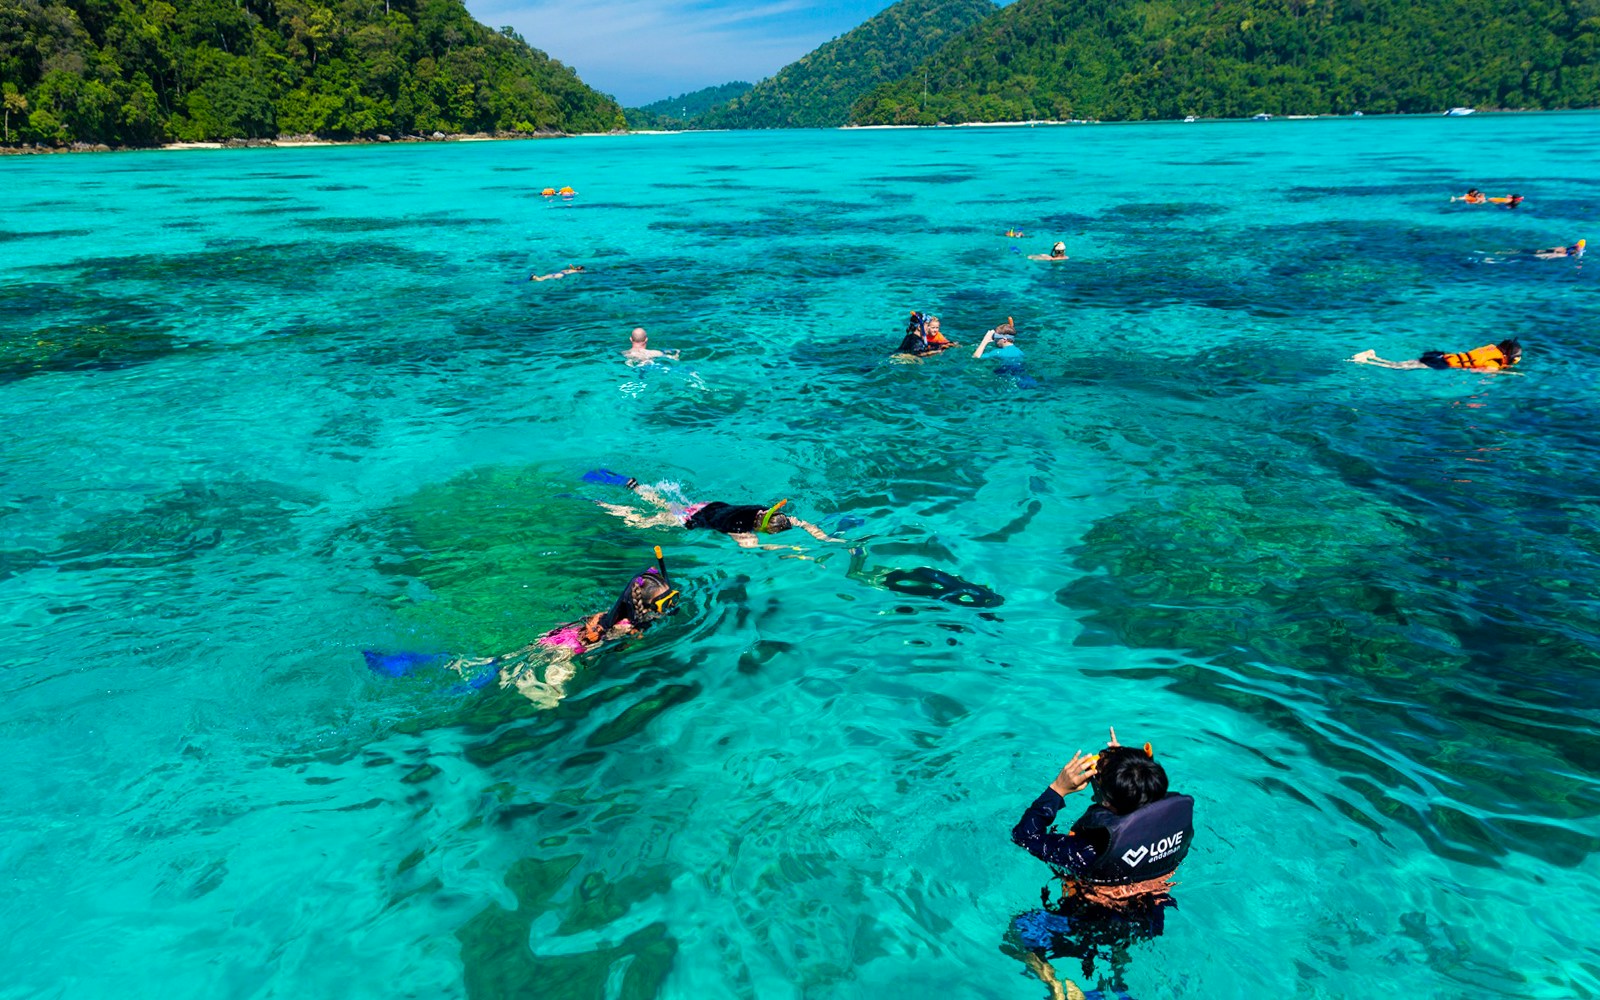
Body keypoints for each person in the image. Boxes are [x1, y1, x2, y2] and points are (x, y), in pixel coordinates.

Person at [1006, 727, 1195, 999]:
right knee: (1119, 951)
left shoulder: (1090, 850)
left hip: (1095, 921)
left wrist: (1058, 788)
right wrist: (1128, 765)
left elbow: (1024, 835)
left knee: (1020, 930)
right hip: (1150, 919)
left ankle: (1055, 986)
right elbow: (1143, 787)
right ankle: (1117, 988)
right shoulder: (1171, 828)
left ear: (1104, 798)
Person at [364, 552, 681, 708]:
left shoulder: (614, 615)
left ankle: (422, 664)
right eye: (661, 604)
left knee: (495, 664)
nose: (665, 609)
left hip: (557, 639)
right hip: (561, 650)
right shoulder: (625, 626)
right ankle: (433, 680)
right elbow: (596, 643)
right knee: (535, 694)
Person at [595, 480, 843, 551]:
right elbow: (752, 547)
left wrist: (824, 538)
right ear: (764, 527)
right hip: (694, 520)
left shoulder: (765, 512)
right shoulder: (739, 530)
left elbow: (800, 522)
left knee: (665, 503)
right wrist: (792, 550)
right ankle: (606, 505)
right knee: (642, 522)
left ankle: (637, 487)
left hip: (710, 505)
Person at [1348, 338, 1520, 371]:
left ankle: (1373, 355)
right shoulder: (1495, 362)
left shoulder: (1489, 349)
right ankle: (1367, 360)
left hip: (1441, 356)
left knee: (1400, 364)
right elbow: (1481, 371)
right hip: (1443, 364)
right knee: (1399, 368)